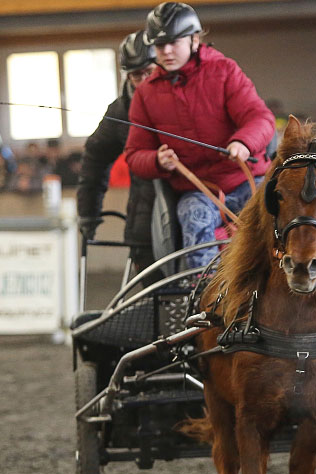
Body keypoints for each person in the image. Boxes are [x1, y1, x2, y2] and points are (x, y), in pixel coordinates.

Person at [124, 2, 275, 269]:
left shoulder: (225, 71)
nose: (166, 51)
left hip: (245, 181)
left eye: (174, 43)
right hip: (197, 191)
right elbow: (135, 154)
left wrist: (243, 142)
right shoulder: (145, 94)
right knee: (193, 218)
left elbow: (260, 118)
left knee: (281, 216)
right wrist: (157, 160)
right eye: (160, 46)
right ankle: (204, 295)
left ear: (194, 39)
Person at [77, 29, 160, 278]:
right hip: (144, 222)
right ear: (127, 76)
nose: (144, 80)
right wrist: (88, 211)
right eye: (137, 75)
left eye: (150, 72)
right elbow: (95, 157)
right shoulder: (120, 112)